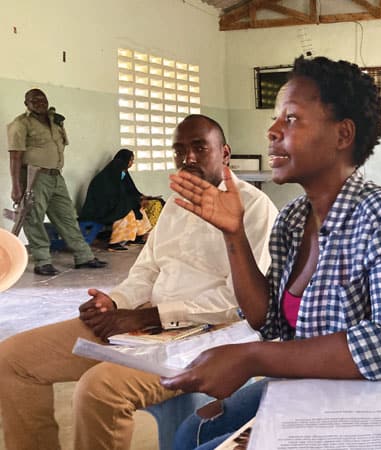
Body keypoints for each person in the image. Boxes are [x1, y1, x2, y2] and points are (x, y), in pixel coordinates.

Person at [162, 56, 381, 450]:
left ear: (343, 135)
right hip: (324, 388)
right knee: (189, 433)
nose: (271, 131)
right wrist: (232, 233)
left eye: (290, 120)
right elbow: (271, 323)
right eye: (275, 119)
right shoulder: (292, 220)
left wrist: (252, 358)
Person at [0, 114, 279, 450]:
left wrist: (149, 317)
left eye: (199, 148)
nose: (187, 158)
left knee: (98, 390)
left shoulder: (255, 207)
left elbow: (238, 305)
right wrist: (114, 302)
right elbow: (146, 270)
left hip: (208, 338)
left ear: (225, 153)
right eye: (179, 151)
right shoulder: (177, 203)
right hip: (143, 324)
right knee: (12, 360)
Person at [7, 88, 107, 275]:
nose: (39, 103)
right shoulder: (21, 124)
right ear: (26, 104)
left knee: (67, 217)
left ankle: (83, 256)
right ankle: (43, 261)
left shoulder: (55, 121)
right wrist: (16, 186)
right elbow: (15, 156)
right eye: (33, 100)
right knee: (34, 218)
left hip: (55, 177)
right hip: (33, 177)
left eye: (42, 99)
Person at [80, 148, 152, 251]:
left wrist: (140, 197)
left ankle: (138, 236)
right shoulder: (108, 175)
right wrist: (134, 200)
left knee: (137, 206)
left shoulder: (122, 173)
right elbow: (111, 196)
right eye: (131, 160)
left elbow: (129, 190)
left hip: (112, 204)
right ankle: (114, 243)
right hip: (100, 209)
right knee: (127, 211)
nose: (132, 163)